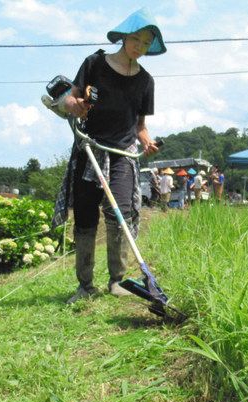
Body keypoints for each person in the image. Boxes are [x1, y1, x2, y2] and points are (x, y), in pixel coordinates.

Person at [51, 8, 166, 303]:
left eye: (146, 43)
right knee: (86, 215)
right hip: (90, 147)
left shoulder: (146, 81)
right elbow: (70, 98)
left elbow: (139, 126)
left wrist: (148, 143)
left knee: (121, 214)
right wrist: (74, 105)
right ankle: (85, 285)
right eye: (136, 40)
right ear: (125, 37)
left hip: (121, 153)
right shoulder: (94, 64)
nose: (139, 47)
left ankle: (117, 280)